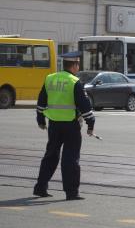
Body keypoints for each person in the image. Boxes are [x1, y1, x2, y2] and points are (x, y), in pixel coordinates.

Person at [33, 51, 95, 201]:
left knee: (50, 156)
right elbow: (85, 106)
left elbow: (41, 101)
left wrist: (40, 120)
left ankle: (41, 188)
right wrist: (90, 124)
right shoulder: (74, 82)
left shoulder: (50, 78)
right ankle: (71, 192)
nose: (78, 67)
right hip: (70, 126)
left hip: (54, 124)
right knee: (70, 158)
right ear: (74, 65)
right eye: (78, 64)